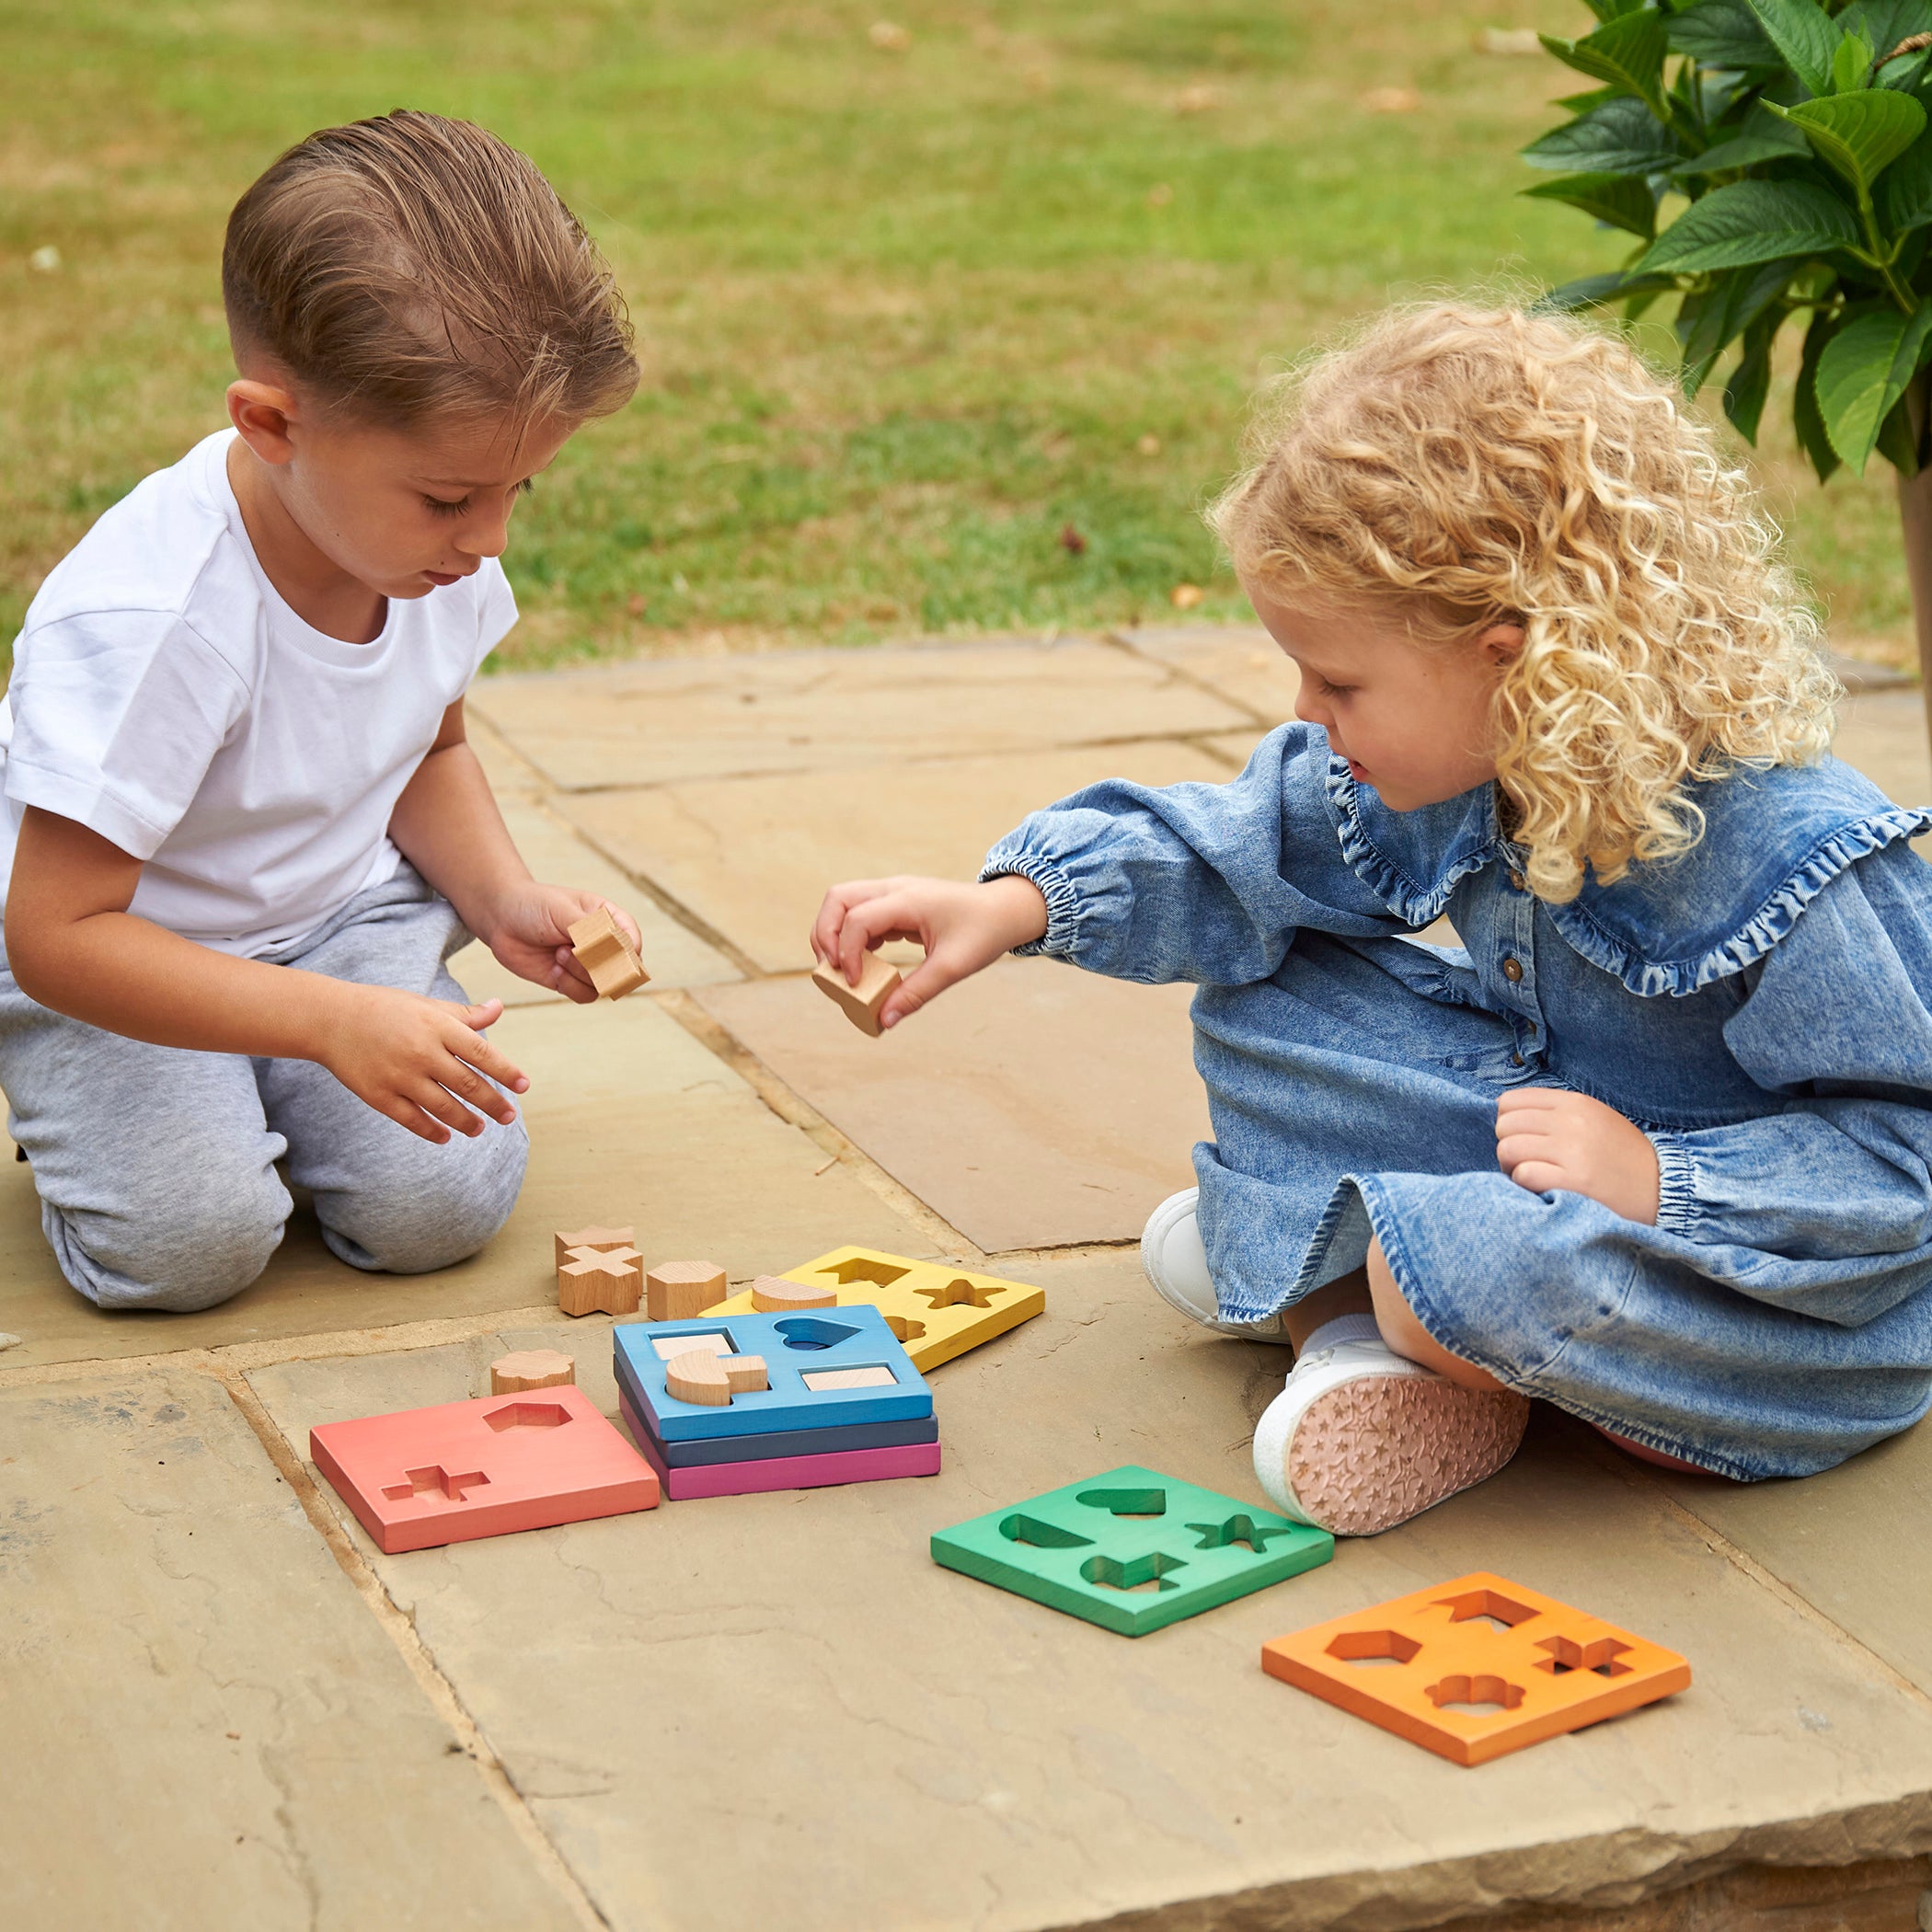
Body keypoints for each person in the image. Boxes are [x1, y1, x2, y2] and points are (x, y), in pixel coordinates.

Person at [811, 303, 1932, 1535]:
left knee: (1470, 1271)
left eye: (1339, 681)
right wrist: (1009, 906)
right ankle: (1382, 1315)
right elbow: (1244, 847)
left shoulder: (1802, 854)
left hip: (1740, 1287)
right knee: (1265, 1001)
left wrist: (1662, 1181)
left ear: (1515, 660)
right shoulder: (1462, 760)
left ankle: (1344, 1298)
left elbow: (1903, 1163)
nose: (1308, 710)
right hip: (1545, 1149)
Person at [0, 111, 644, 1313]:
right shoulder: (152, 627)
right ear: (273, 426)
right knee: (189, 1248)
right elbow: (55, 934)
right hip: (126, 953)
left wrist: (498, 895)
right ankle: (104, 1110)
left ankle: (276, 1081)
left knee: (439, 1210)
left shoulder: (427, 557)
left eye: (521, 489)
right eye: (454, 494)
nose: (493, 539)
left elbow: (426, 742)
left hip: (338, 921)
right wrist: (324, 1024)